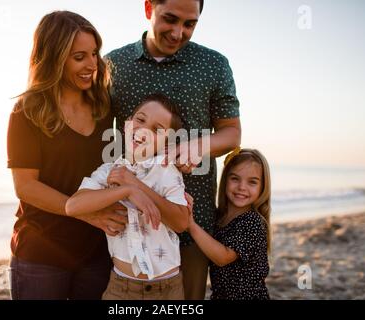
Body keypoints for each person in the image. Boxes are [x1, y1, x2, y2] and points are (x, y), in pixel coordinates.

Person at [106, 0, 241, 299]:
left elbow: (232, 133)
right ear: (148, 8)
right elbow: (97, 136)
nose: (178, 33)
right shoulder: (113, 64)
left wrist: (197, 145)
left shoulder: (214, 64)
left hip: (193, 219)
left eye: (189, 24)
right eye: (170, 19)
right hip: (127, 220)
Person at [6, 11, 128, 300]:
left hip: (96, 252)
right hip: (40, 252)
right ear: (54, 58)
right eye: (79, 57)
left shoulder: (103, 108)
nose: (92, 64)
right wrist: (88, 213)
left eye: (94, 54)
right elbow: (25, 187)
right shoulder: (27, 111)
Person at [66, 93, 189, 299]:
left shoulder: (167, 171)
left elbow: (181, 222)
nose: (144, 131)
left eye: (157, 130)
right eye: (140, 120)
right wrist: (126, 190)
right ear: (127, 124)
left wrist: (136, 184)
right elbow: (73, 206)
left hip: (166, 289)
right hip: (120, 287)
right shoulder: (108, 171)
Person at [186, 148, 271, 300]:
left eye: (252, 182)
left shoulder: (253, 222)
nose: (241, 187)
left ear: (262, 187)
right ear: (225, 180)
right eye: (235, 178)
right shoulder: (219, 217)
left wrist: (190, 224)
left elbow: (222, 257)